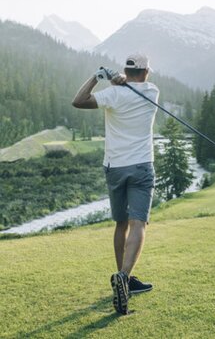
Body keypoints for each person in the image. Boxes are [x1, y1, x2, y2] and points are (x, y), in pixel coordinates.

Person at [72, 53, 159, 315]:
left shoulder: (113, 94)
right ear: (145, 72)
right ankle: (123, 277)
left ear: (125, 70)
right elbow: (136, 85)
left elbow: (78, 101)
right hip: (142, 165)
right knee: (138, 222)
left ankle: (126, 280)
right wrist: (119, 81)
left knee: (122, 223)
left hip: (115, 167)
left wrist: (98, 77)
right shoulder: (152, 92)